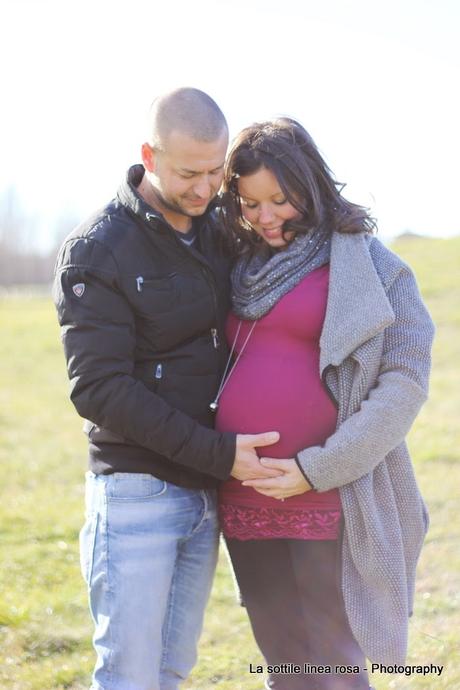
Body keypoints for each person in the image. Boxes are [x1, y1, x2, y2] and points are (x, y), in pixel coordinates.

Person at [53, 88, 280, 690]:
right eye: (188, 174)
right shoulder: (97, 249)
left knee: (171, 671)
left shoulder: (218, 231)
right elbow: (98, 389)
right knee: (129, 678)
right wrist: (222, 455)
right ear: (150, 155)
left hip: (206, 497)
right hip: (136, 497)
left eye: (215, 172)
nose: (205, 189)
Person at [215, 117, 435, 690]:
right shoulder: (235, 265)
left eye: (280, 200)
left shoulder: (373, 267)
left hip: (332, 492)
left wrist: (318, 468)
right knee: (283, 658)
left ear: (309, 187)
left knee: (333, 663)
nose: (265, 217)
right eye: (250, 202)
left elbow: (405, 382)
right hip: (246, 493)